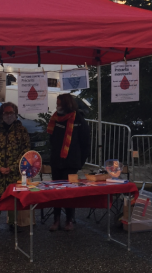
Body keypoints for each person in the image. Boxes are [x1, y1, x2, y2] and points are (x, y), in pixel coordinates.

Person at [47, 93, 90, 231]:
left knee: (69, 192)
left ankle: (69, 220)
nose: (57, 106)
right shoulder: (55, 118)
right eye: (57, 104)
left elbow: (85, 143)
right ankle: (56, 219)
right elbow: (51, 138)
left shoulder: (78, 119)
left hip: (71, 162)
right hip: (56, 161)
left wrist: (79, 162)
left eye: (59, 104)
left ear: (66, 104)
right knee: (56, 192)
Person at [0, 102, 30, 232]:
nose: (8, 115)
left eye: (11, 113)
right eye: (6, 113)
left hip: (14, 172)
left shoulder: (22, 131)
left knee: (13, 198)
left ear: (16, 114)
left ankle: (12, 223)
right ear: (1, 114)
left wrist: (13, 167)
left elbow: (25, 152)